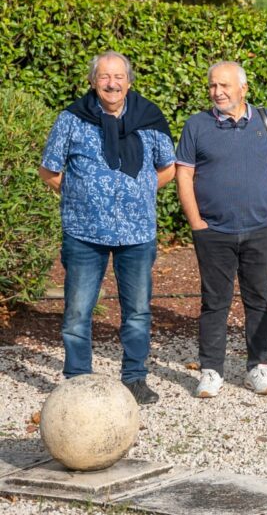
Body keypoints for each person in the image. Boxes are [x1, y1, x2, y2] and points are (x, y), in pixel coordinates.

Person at [38, 51, 175, 406]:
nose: (111, 84)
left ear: (129, 81)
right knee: (78, 311)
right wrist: (80, 195)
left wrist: (138, 192)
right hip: (84, 232)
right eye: (104, 77)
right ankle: (77, 381)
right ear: (92, 81)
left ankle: (134, 378)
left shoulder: (150, 119)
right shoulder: (71, 119)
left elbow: (168, 168)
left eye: (118, 77)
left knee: (138, 311)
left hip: (137, 233)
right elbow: (50, 170)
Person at [176, 61, 267, 399]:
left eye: (225, 85)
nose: (218, 92)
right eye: (213, 85)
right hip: (213, 230)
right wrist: (196, 222)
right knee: (215, 303)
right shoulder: (197, 125)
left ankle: (258, 367)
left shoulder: (266, 121)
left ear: (243, 88)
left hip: (259, 228)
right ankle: (211, 371)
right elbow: (184, 175)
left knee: (259, 301)